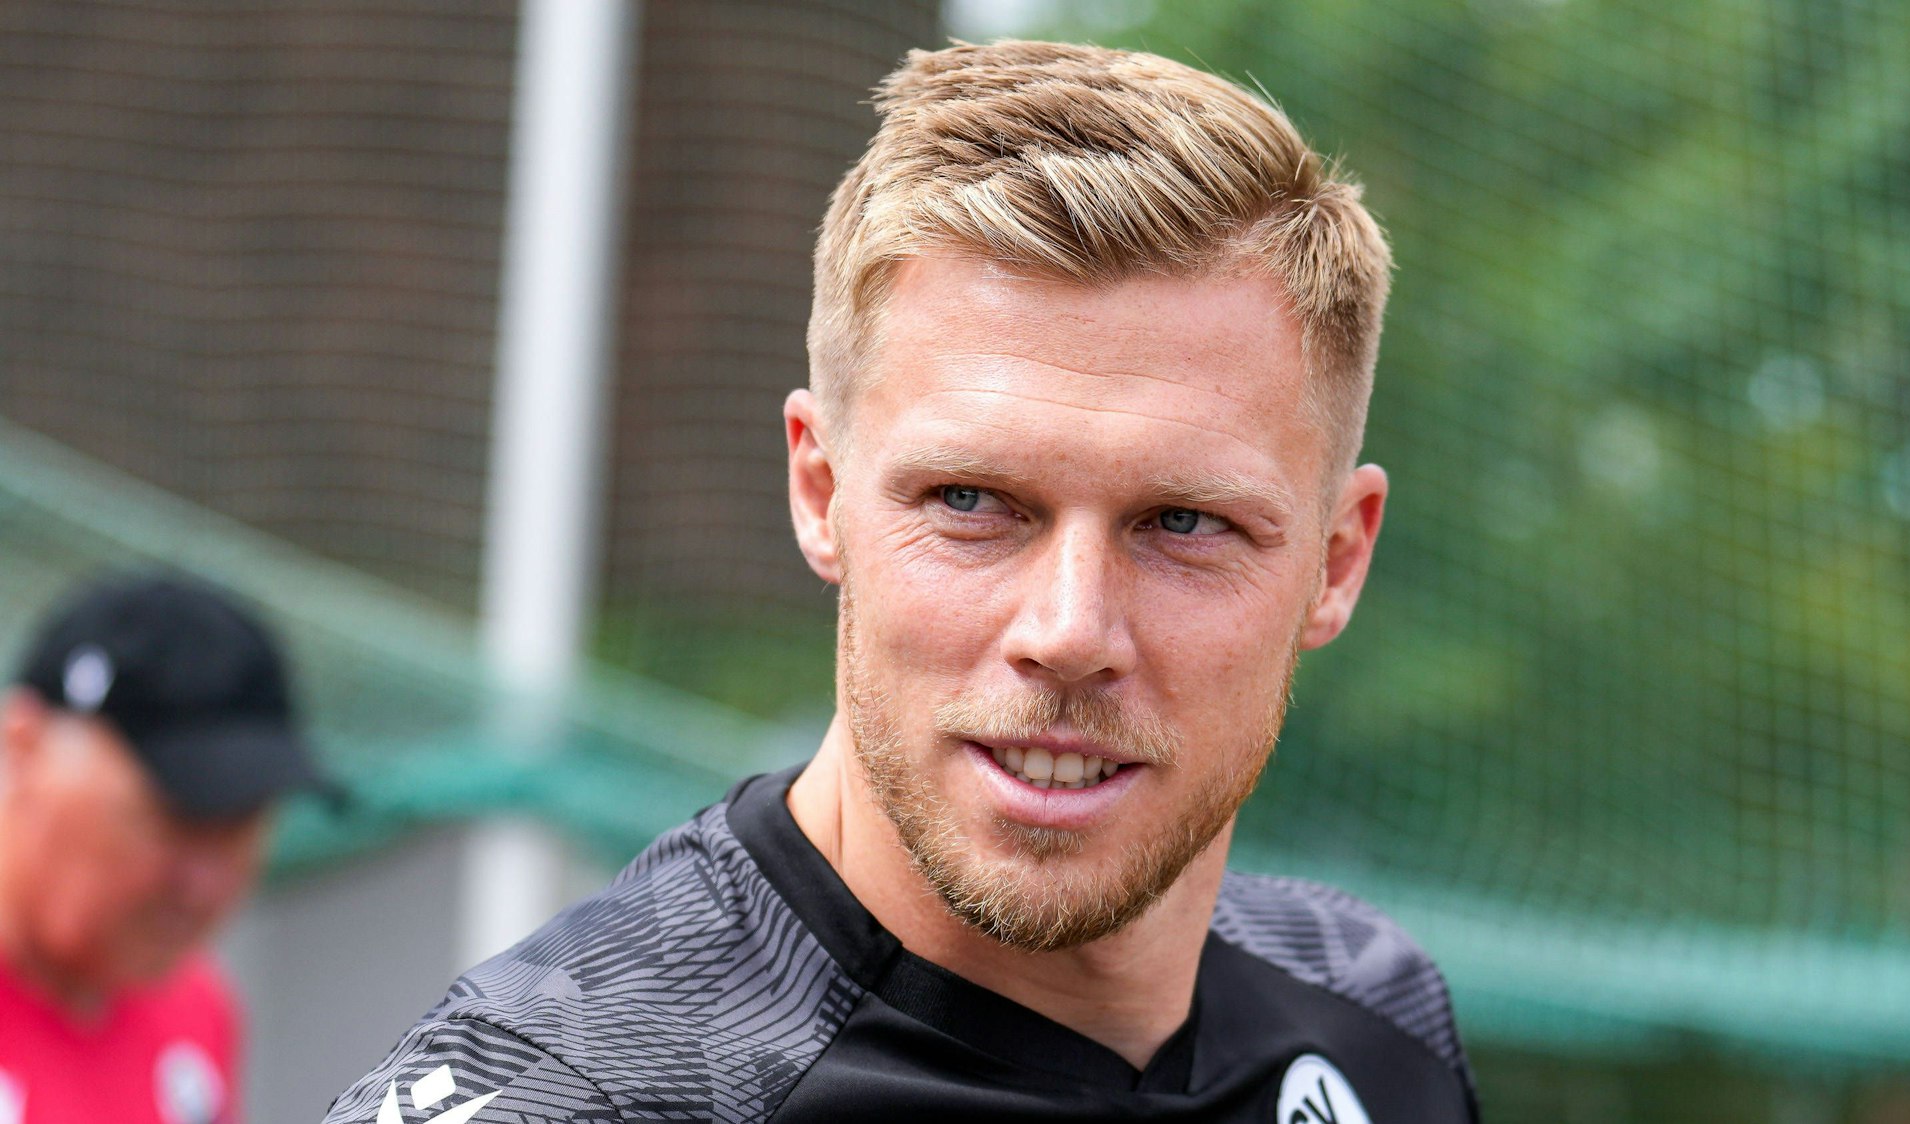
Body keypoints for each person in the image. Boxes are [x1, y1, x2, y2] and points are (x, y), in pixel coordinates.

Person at [325, 40, 1478, 1123]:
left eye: (1183, 521)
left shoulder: (1374, 1016)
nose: (1069, 630)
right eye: (972, 503)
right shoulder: (576, 1094)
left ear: (1336, 561)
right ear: (821, 492)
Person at [0, 573, 335, 1124]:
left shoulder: (194, 1013)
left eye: (240, 828)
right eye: (172, 820)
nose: (203, 885)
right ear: (25, 747)